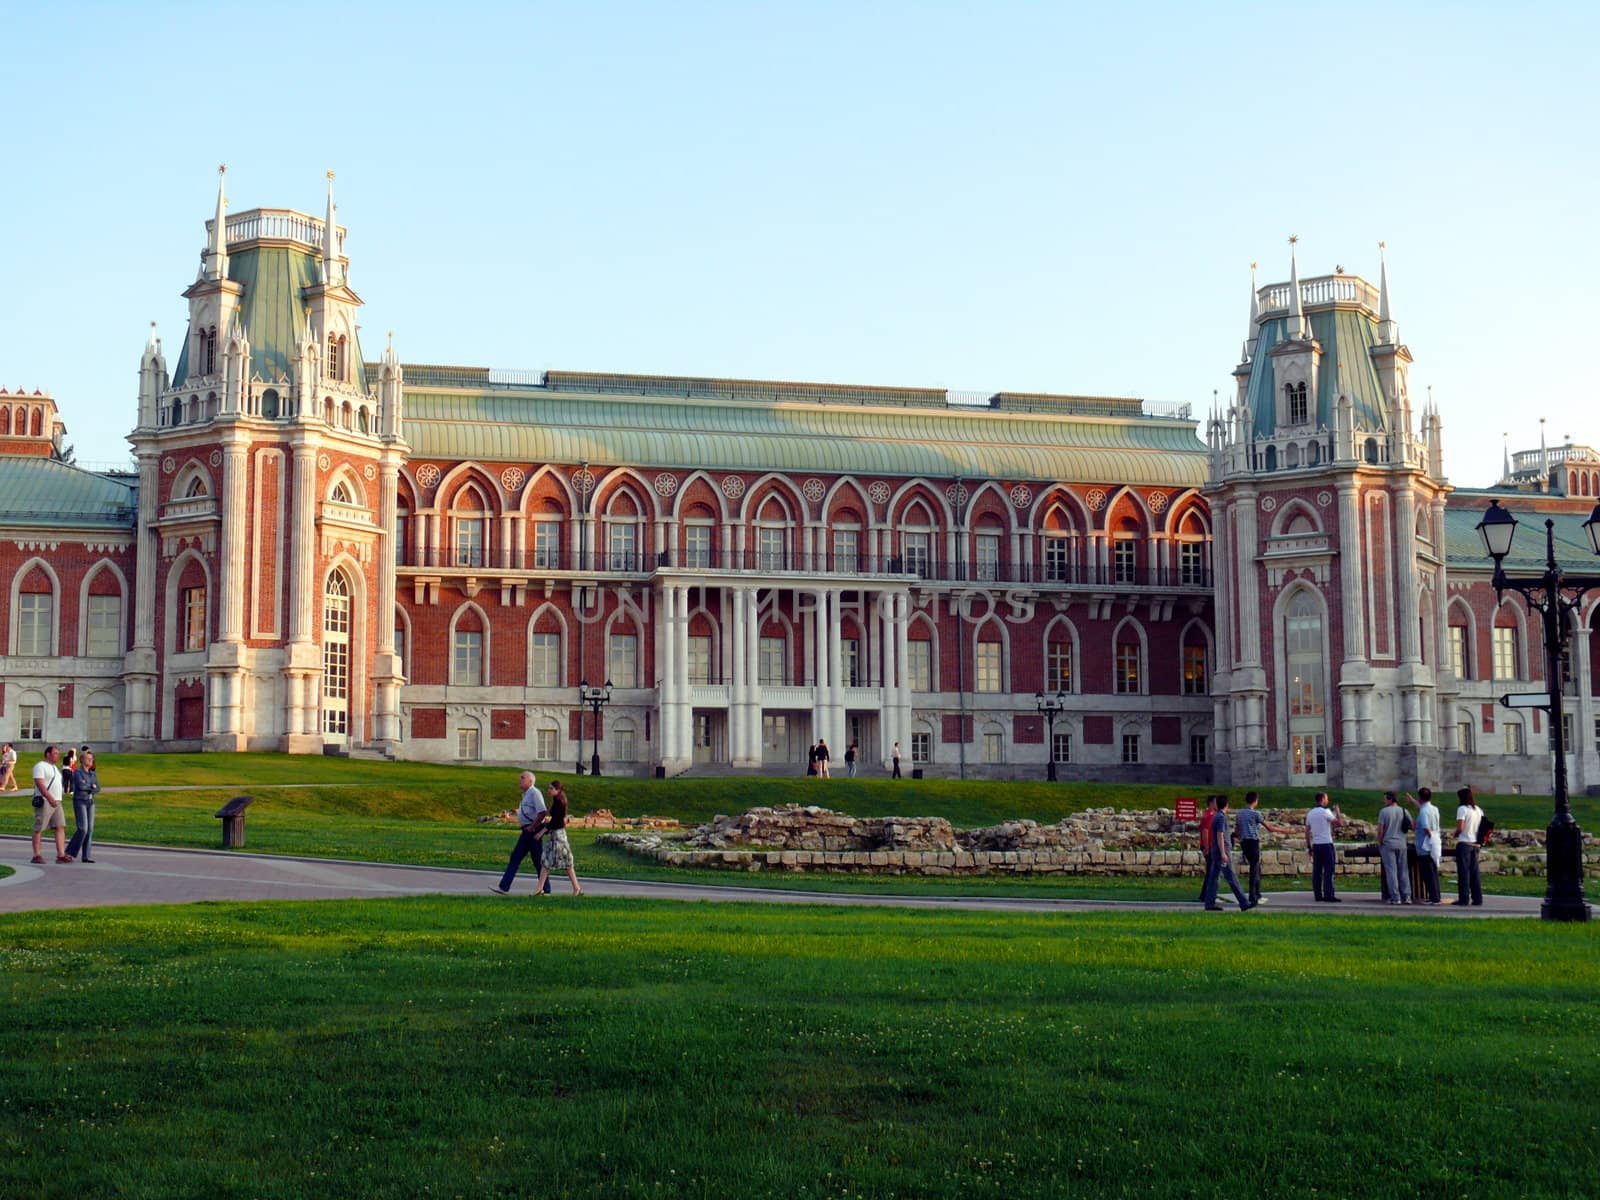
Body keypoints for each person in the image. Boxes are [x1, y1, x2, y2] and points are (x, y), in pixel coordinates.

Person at [491, 770, 553, 895]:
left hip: (533, 830)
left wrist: (532, 827)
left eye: (522, 778)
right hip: (527, 830)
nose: (520, 780)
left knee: (531, 859)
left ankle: (545, 889)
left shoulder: (535, 793)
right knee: (521, 857)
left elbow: (542, 812)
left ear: (530, 781)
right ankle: (504, 887)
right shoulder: (525, 795)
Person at [1234, 792, 1293, 906]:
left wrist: (1237, 837)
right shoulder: (1256, 814)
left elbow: (1237, 829)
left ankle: (1257, 893)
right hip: (1253, 842)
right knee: (1254, 869)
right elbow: (1269, 828)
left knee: (1256, 867)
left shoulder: (1240, 813)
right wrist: (1284, 830)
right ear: (1255, 801)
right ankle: (1253, 895)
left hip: (1244, 842)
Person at [1200, 795, 1254, 911]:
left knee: (1214, 877)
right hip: (1221, 852)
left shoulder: (1216, 816)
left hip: (1216, 851)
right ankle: (1243, 902)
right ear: (1227, 805)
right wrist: (1223, 853)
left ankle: (1209, 903)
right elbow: (1220, 835)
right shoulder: (1221, 818)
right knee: (1231, 876)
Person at [534, 780, 584, 896]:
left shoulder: (559, 803)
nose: (549, 790)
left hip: (558, 836)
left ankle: (576, 888)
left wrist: (542, 831)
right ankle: (540, 888)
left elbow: (556, 821)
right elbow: (555, 820)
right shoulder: (557, 801)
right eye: (549, 788)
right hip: (556, 834)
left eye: (551, 788)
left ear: (558, 790)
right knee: (548, 861)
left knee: (560, 862)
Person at [30, 745, 68, 865]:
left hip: (57, 801)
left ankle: (61, 855)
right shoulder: (40, 766)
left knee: (60, 826)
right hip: (45, 800)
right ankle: (37, 855)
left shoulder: (55, 768)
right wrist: (50, 798)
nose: (58, 755)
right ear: (48, 754)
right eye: (55, 753)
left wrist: (56, 799)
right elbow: (40, 784)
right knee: (39, 827)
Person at [1406, 788, 1443, 904]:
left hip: (1425, 845)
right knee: (1433, 872)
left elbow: (1426, 827)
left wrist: (1430, 839)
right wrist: (1412, 801)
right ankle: (1436, 895)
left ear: (1420, 797)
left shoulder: (1423, 812)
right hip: (1435, 843)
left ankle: (1434, 898)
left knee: (1428, 873)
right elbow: (1422, 807)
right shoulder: (1434, 809)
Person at [65, 749, 101, 863]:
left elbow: (98, 788)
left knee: (90, 829)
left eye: (92, 759)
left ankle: (86, 855)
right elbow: (81, 786)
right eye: (88, 758)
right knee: (83, 828)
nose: (91, 760)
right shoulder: (77, 772)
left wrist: (90, 786)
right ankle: (70, 852)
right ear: (82, 760)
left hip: (91, 802)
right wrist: (92, 787)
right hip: (80, 801)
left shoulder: (92, 773)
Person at [1305, 792, 1343, 902]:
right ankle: (1328, 894)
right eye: (1326, 799)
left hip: (1316, 845)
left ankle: (1317, 895)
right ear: (1322, 799)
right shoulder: (1326, 812)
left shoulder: (1310, 813)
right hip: (1326, 844)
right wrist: (1337, 812)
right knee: (1329, 870)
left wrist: (1309, 847)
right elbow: (1338, 823)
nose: (1328, 801)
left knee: (1317, 871)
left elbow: (1307, 832)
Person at [1376, 791, 1412, 905]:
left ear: (1390, 799)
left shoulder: (1384, 812)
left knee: (1391, 871)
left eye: (1385, 799)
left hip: (1388, 843)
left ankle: (1395, 897)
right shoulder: (1404, 811)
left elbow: (1381, 830)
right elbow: (1412, 825)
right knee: (1403, 870)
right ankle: (1406, 896)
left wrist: (1380, 842)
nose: (1384, 801)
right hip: (1401, 843)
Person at [1454, 785, 1484, 906]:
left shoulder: (1462, 809)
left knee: (1464, 873)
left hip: (1465, 843)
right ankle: (1477, 898)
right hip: (1476, 844)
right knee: (1474, 873)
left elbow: (1461, 827)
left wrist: (1455, 834)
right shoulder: (1478, 810)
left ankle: (1464, 898)